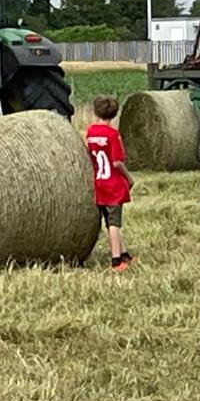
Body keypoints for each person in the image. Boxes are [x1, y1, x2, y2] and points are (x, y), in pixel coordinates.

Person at [84, 95, 134, 271]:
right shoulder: (113, 135)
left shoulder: (90, 132)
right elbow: (117, 162)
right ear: (114, 114)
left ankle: (125, 254)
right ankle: (116, 260)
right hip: (113, 185)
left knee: (110, 221)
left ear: (95, 111)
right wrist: (129, 178)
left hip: (99, 184)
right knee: (114, 224)